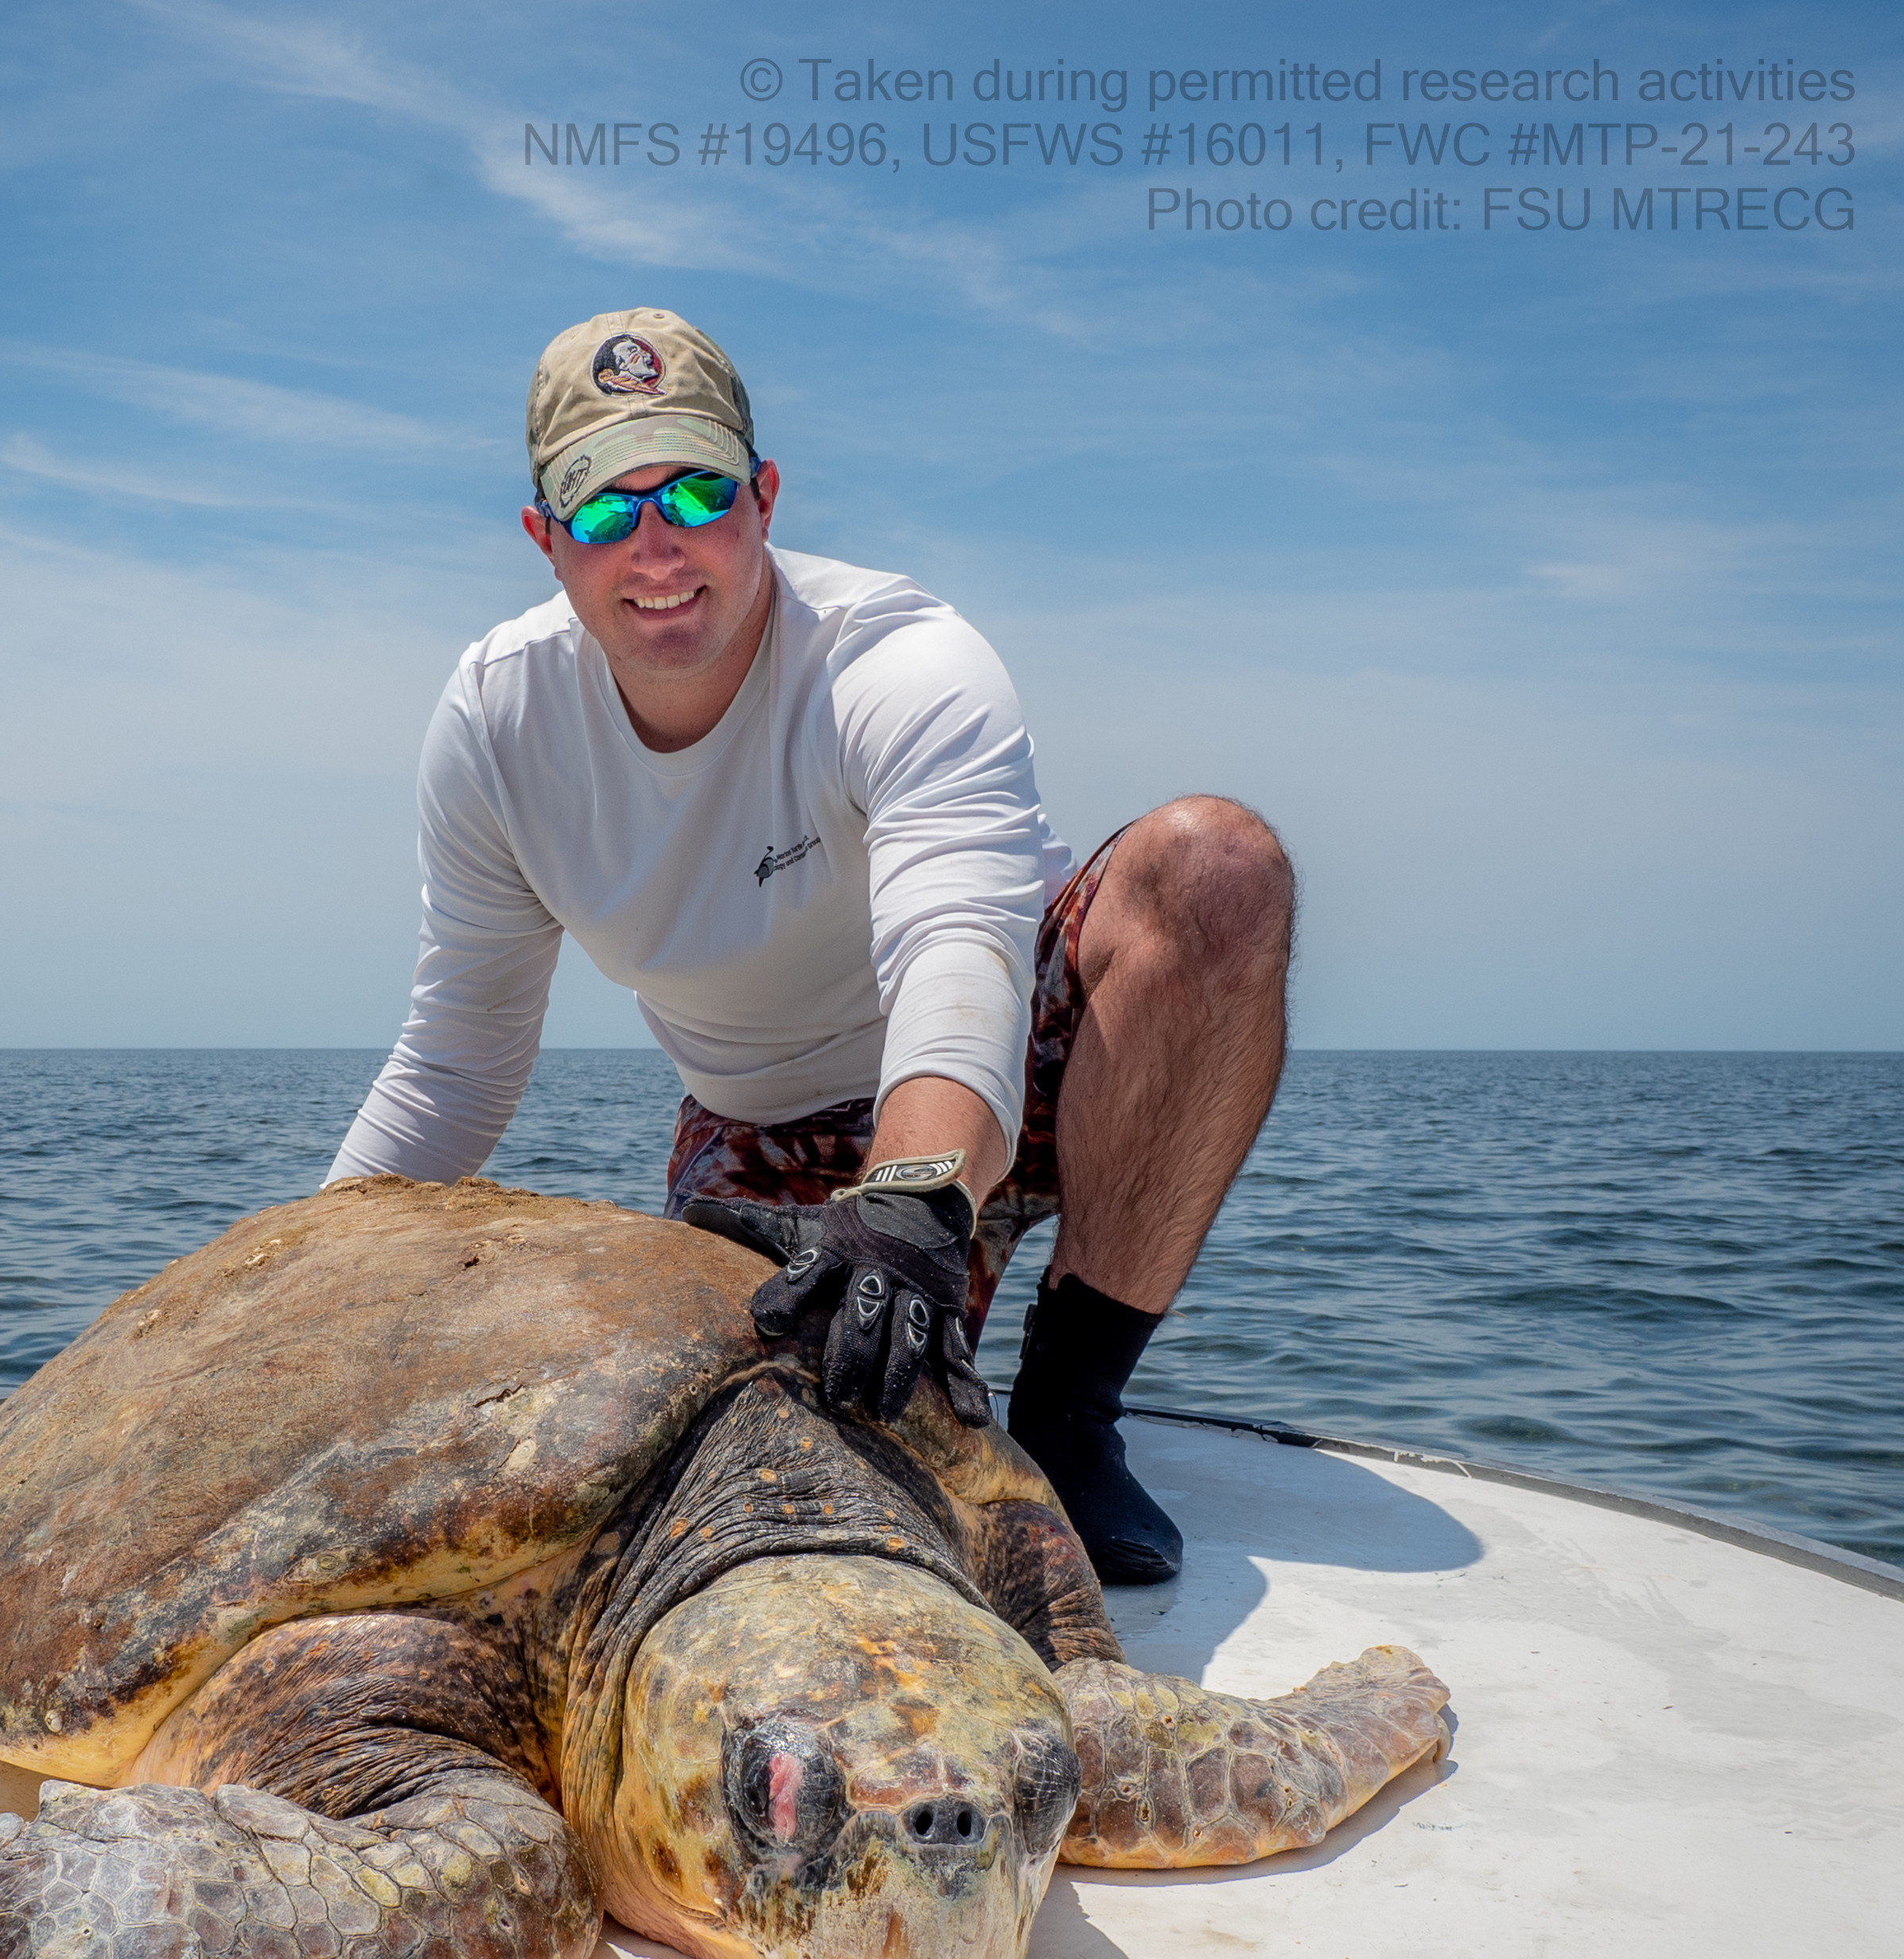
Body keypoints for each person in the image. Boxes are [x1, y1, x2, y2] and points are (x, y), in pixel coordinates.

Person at [327, 308, 1293, 1584]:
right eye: (604, 510)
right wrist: (291, 1301)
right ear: (545, 541)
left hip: (1032, 1063)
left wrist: (911, 1204)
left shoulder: (899, 659)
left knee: (1215, 869)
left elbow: (960, 955)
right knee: (750, 1502)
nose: (657, 542)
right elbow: (457, 1060)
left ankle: (1071, 1415)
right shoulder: (500, 723)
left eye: (694, 489)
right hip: (768, 1134)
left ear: (764, 497)